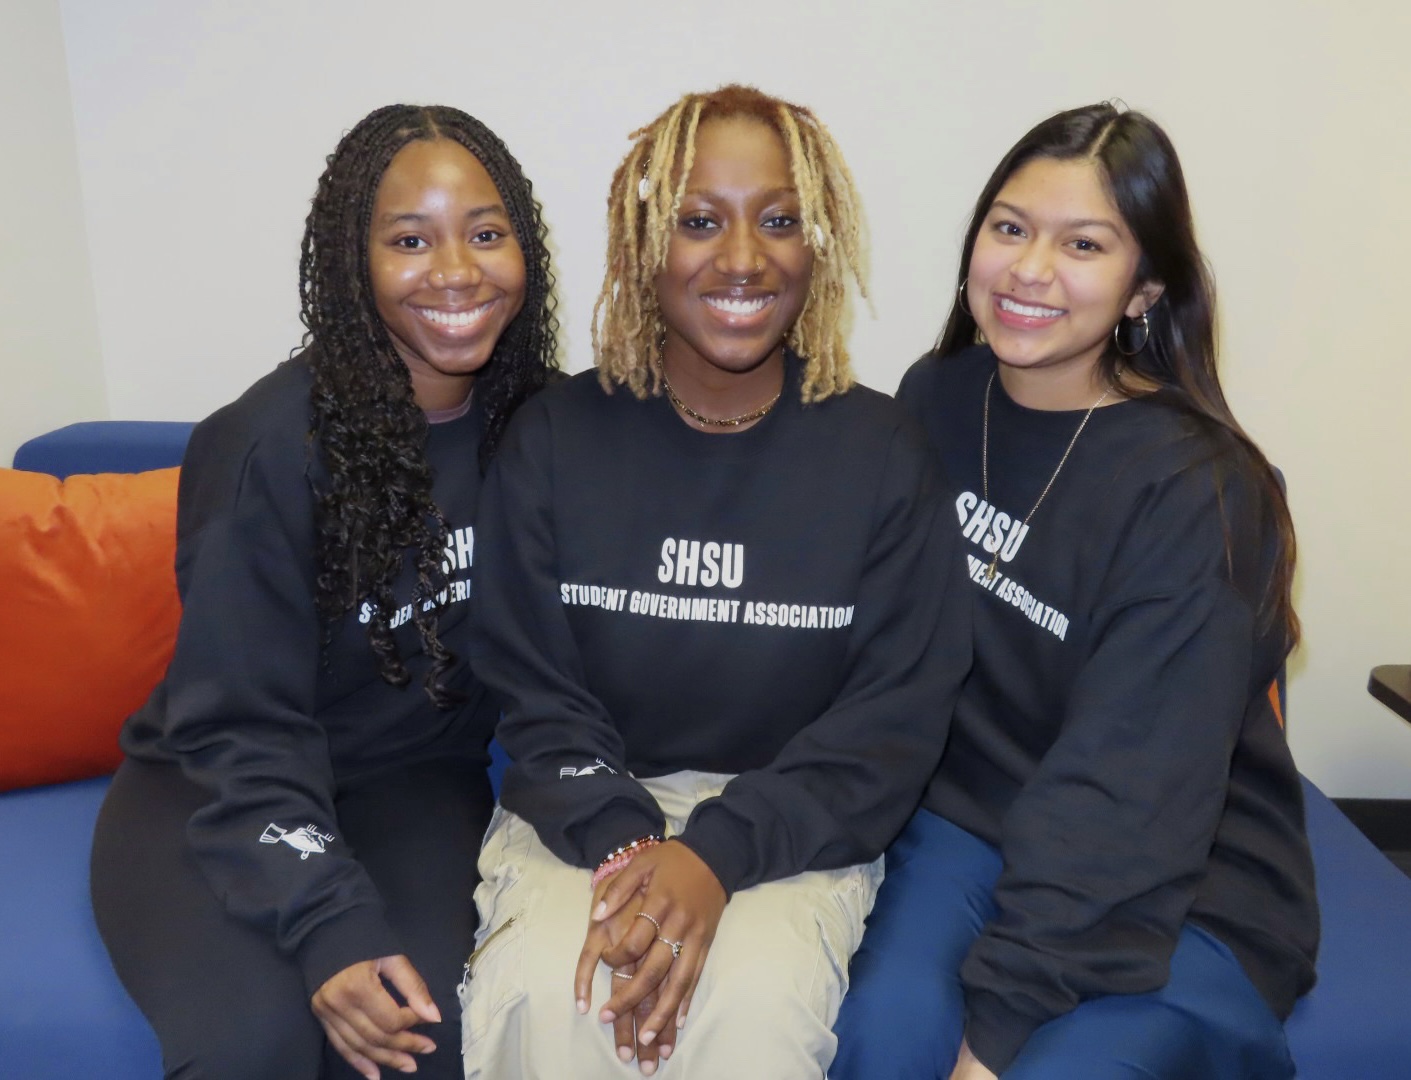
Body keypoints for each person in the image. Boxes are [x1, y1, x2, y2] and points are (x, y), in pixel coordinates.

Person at [460, 84, 969, 1078]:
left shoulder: (882, 452)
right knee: (556, 1006)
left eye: (778, 220)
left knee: (749, 1026)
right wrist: (627, 848)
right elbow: (531, 692)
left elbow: (890, 721)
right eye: (699, 221)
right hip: (585, 811)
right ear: (643, 245)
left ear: (816, 247)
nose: (742, 257)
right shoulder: (554, 438)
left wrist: (713, 857)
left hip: (792, 821)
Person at [831, 102, 1319, 1080]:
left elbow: (1130, 794)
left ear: (1144, 289)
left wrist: (995, 1037)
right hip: (968, 821)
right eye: (1009, 228)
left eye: (1083, 244)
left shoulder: (1198, 492)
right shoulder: (935, 397)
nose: (1028, 269)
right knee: (879, 1037)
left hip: (1181, 873)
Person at [90, 103, 558, 1080]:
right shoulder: (265, 446)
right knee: (247, 1049)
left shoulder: (548, 433)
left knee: (425, 1035)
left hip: (411, 784)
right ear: (355, 261)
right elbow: (237, 724)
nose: (456, 270)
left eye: (484, 233)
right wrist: (327, 920)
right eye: (409, 240)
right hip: (219, 785)